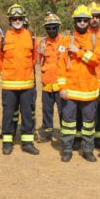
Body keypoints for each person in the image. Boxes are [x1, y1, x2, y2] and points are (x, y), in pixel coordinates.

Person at [57, 5, 100, 163]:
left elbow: (97, 60)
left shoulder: (95, 39)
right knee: (69, 123)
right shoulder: (66, 39)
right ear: (74, 21)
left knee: (89, 123)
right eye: (79, 20)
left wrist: (78, 52)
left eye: (85, 20)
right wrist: (62, 88)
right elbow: (61, 66)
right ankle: (67, 149)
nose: (83, 23)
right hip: (70, 90)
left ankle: (88, 149)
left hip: (89, 90)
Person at [0, 4, 39, 155]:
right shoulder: (2, 37)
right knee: (8, 114)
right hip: (9, 85)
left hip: (27, 84)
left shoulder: (31, 36)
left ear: (23, 18)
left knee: (27, 114)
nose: (17, 20)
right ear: (10, 20)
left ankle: (27, 143)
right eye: (14, 18)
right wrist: (7, 73)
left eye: (19, 18)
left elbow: (34, 58)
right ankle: (7, 143)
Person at [36, 13, 66, 143]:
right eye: (48, 28)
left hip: (60, 85)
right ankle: (47, 133)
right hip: (47, 84)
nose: (51, 30)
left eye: (54, 27)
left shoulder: (65, 42)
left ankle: (66, 136)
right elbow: (39, 61)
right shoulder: (42, 44)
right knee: (47, 111)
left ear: (58, 27)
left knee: (63, 112)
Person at [88, 1, 100, 148]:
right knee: (83, 112)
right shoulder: (81, 32)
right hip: (86, 79)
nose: (95, 19)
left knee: (98, 111)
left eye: (98, 16)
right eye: (92, 16)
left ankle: (98, 138)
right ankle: (80, 138)